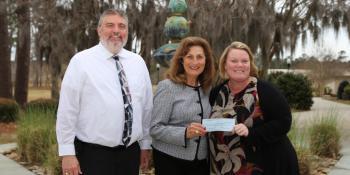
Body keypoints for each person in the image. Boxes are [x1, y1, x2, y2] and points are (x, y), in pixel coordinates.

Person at [56, 9, 153, 175]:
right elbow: (67, 110)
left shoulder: (138, 63)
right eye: (110, 25)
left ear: (127, 32)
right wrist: (67, 153)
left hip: (130, 154)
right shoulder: (81, 62)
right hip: (93, 155)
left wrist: (145, 145)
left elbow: (146, 108)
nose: (116, 30)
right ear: (99, 30)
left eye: (122, 26)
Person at [208, 41, 299, 175]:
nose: (239, 65)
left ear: (250, 65)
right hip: (224, 166)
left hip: (263, 165)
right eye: (234, 61)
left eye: (244, 61)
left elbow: (284, 122)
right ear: (225, 65)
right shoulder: (216, 93)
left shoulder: (265, 90)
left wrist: (251, 133)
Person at [150, 36, 215, 175]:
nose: (195, 62)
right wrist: (185, 133)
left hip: (201, 161)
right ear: (181, 60)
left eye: (200, 57)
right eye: (189, 57)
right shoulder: (167, 87)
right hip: (170, 160)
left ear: (206, 61)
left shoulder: (208, 88)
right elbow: (155, 128)